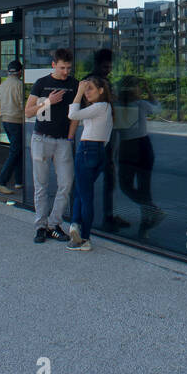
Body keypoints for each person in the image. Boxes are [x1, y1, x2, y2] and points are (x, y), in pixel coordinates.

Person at [25, 48, 78, 243]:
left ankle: (54, 224)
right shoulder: (42, 83)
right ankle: (40, 225)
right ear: (53, 64)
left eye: (69, 68)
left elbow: (75, 115)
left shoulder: (74, 84)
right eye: (62, 67)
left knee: (66, 183)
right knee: (41, 185)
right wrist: (48, 101)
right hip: (41, 138)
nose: (66, 72)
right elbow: (28, 112)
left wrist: (70, 138)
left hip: (63, 141)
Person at [66, 75, 114, 252]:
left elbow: (72, 115)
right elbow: (107, 136)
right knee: (81, 190)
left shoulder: (100, 106)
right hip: (99, 151)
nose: (87, 92)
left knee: (85, 196)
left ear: (101, 90)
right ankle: (75, 226)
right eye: (85, 89)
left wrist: (78, 93)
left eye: (90, 89)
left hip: (87, 149)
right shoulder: (105, 108)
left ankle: (84, 237)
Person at [116, 75, 165, 237]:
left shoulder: (126, 105)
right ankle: (151, 214)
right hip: (141, 146)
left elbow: (157, 108)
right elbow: (158, 107)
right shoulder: (138, 104)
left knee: (128, 185)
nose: (137, 90)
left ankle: (145, 226)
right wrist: (148, 89)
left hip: (131, 146)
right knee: (138, 187)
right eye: (137, 87)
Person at [92, 48, 129, 230]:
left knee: (109, 176)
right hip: (98, 136)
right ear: (99, 64)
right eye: (106, 66)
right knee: (95, 174)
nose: (108, 69)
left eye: (110, 66)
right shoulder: (92, 82)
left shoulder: (105, 81)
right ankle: (83, 215)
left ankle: (108, 215)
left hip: (108, 133)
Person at [0, 59, 25, 195]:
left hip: (5, 122)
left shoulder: (2, 86)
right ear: (20, 72)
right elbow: (23, 105)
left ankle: (19, 181)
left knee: (17, 150)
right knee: (15, 152)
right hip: (17, 121)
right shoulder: (19, 85)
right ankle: (1, 182)